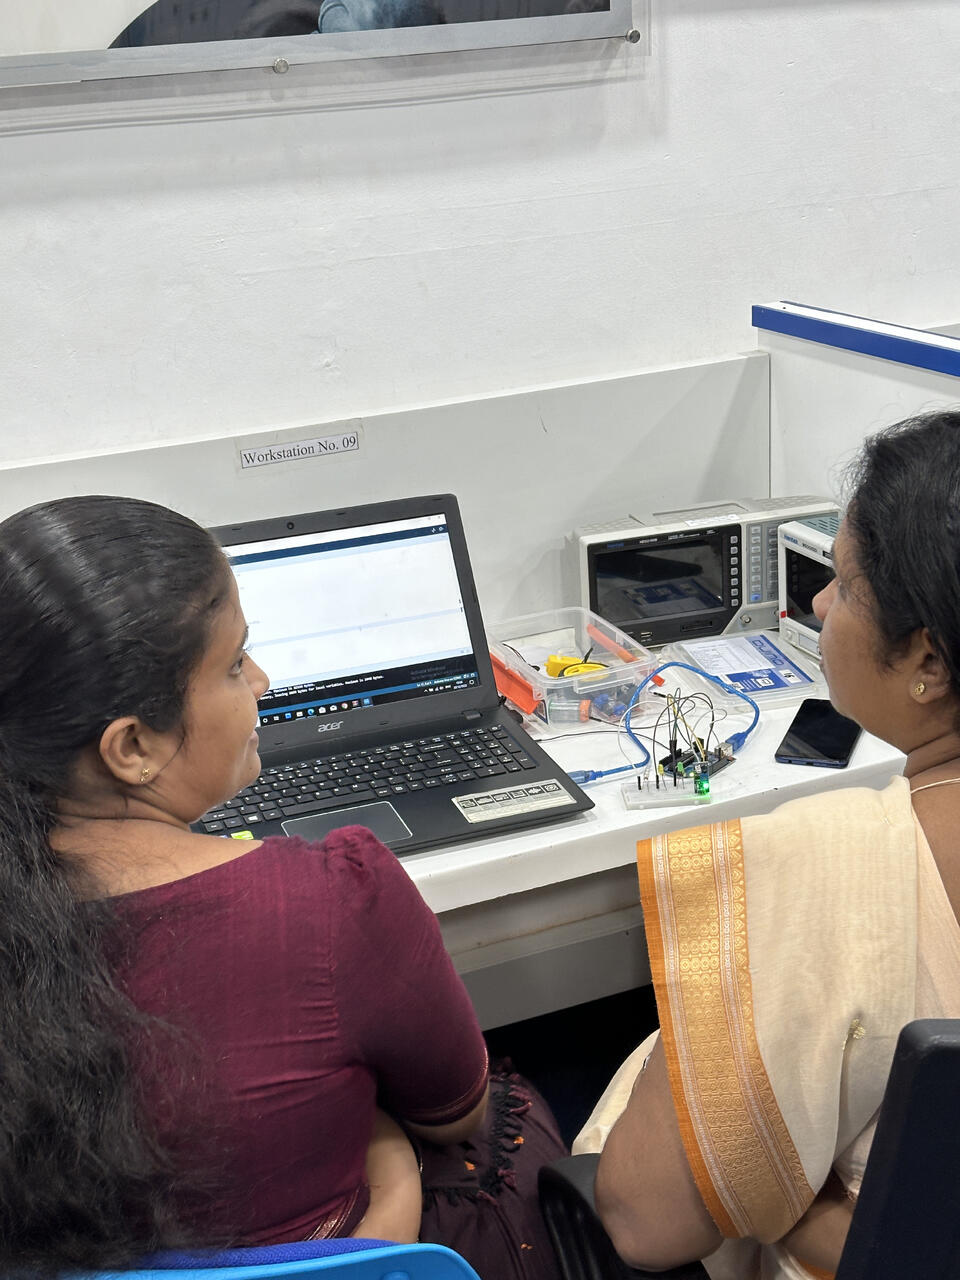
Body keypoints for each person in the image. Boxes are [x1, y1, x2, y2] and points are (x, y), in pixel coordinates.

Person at [0, 495, 565, 1279]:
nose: (264, 682)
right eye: (234, 664)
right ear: (131, 747)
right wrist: (387, 1162)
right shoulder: (332, 898)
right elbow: (456, 1111)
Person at [574, 409, 960, 1280]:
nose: (821, 604)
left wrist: (792, 1204)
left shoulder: (832, 863)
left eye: (849, 586)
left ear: (926, 661)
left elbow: (645, 1220)